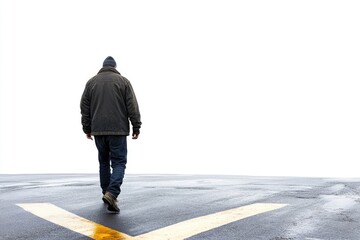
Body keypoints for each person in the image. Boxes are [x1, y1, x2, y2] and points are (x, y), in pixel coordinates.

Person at [80, 56, 141, 213]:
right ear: (114, 66)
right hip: (118, 130)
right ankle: (112, 193)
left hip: (98, 130)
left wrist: (87, 128)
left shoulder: (91, 82)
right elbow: (132, 106)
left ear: (103, 66)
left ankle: (106, 192)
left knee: (104, 162)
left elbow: (84, 107)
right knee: (119, 162)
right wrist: (136, 126)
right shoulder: (123, 82)